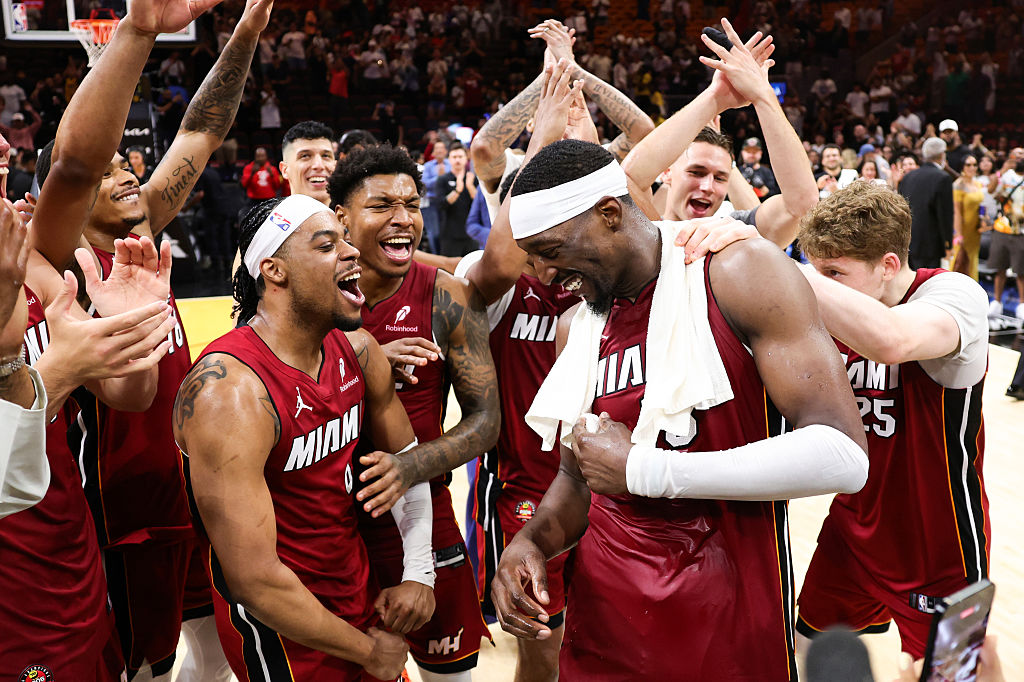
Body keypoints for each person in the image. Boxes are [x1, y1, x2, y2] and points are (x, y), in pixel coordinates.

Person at [490, 137, 868, 680]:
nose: (543, 274)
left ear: (609, 213)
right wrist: (531, 541)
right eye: (532, 257)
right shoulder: (576, 325)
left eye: (550, 250)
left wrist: (645, 470)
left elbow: (843, 455)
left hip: (726, 622)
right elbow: (577, 478)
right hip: (602, 624)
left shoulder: (738, 271)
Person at [30, 1, 270, 678]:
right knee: (144, 667)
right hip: (126, 515)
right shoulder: (63, 265)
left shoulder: (142, 233)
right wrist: (136, 33)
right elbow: (75, 165)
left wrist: (244, 34)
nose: (127, 171)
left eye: (127, 162)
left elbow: (202, 130)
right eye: (109, 171)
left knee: (215, 651)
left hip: (191, 485)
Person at [173, 196, 437, 681]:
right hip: (280, 629)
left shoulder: (358, 348)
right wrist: (367, 651)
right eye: (327, 245)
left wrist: (420, 572)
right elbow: (255, 580)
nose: (352, 252)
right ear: (274, 271)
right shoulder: (230, 393)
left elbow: (409, 461)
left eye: (345, 239)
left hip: (359, 594)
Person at [790, 182, 990, 661]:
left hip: (938, 547)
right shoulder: (836, 310)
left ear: (888, 266)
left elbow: (892, 342)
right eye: (816, 269)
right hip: (852, 529)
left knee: (950, 672)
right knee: (804, 652)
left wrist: (782, 268)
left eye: (834, 273)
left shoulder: (954, 294)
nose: (821, 284)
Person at [329, 144, 500, 680]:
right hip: (326, 522)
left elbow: (486, 422)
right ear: (341, 218)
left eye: (412, 204)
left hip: (420, 517)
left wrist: (410, 466)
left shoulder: (447, 297)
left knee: (451, 674)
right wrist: (368, 359)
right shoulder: (310, 294)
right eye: (382, 205)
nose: (403, 218)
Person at [621, 19, 817, 249]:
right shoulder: (646, 230)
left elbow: (802, 205)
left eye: (720, 178)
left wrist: (763, 96)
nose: (707, 187)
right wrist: (715, 97)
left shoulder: (737, 234)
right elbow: (627, 179)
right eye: (696, 172)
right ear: (666, 173)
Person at [472, 19, 654, 221]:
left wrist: (572, 68)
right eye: (552, 103)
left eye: (572, 105)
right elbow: (483, 147)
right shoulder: (514, 166)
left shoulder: (601, 159)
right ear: (530, 123)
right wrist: (550, 73)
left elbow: (642, 131)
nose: (564, 114)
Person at [899, 137, 954, 269]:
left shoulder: (908, 177)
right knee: (929, 280)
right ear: (942, 155)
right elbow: (945, 215)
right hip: (931, 245)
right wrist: (948, 243)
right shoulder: (943, 178)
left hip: (908, 242)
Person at [989, 148, 1024, 317]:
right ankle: (996, 302)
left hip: (1021, 231)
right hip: (1003, 227)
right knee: (1000, 268)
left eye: (1022, 154)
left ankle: (1022, 305)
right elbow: (991, 191)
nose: (1020, 157)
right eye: (1017, 154)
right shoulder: (1006, 175)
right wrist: (1001, 171)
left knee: (1021, 271)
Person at [435, 141, 479, 257]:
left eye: (460, 156)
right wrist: (457, 190)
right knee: (449, 267)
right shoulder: (442, 179)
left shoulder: (473, 179)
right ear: (449, 159)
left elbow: (479, 204)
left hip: (471, 233)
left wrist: (470, 187)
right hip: (450, 234)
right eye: (454, 157)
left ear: (466, 158)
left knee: (473, 266)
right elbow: (440, 205)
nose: (457, 160)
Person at [278, 120, 335, 204]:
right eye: (305, 156)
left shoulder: (351, 211)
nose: (319, 165)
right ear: (285, 170)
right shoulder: (270, 212)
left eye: (325, 156)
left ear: (335, 165)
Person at [953, 155, 986, 279]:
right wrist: (958, 234)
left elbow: (982, 204)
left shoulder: (978, 184)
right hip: (962, 229)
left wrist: (983, 219)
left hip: (975, 230)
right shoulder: (958, 185)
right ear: (962, 167)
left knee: (973, 260)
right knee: (959, 261)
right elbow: (956, 212)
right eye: (968, 164)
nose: (972, 167)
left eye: (974, 164)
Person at [420, 139, 450, 253]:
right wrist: (439, 177)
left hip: (448, 201)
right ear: (433, 152)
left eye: (441, 148)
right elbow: (425, 183)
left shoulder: (450, 164)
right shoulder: (427, 166)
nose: (439, 151)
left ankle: (447, 254)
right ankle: (436, 255)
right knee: (434, 232)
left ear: (445, 151)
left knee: (447, 230)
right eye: (437, 148)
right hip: (431, 202)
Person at [241, 146, 283, 211]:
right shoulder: (249, 168)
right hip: (253, 200)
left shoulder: (272, 169)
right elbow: (244, 185)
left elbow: (277, 186)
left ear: (266, 156)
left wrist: (272, 175)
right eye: (258, 156)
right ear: (255, 157)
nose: (260, 158)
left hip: (269, 199)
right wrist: (252, 174)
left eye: (262, 156)